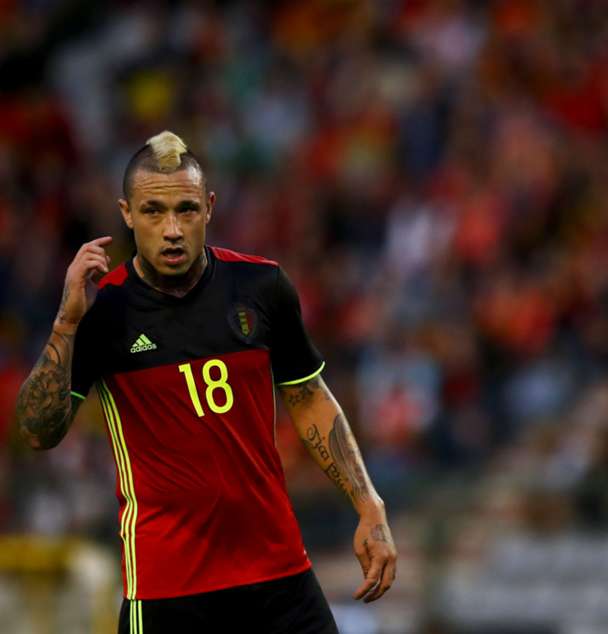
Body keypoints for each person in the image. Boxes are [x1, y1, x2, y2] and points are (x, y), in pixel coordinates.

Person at [13, 131, 396, 633]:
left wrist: (369, 505)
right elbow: (36, 432)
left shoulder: (261, 286)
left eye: (186, 210)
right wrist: (66, 323)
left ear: (209, 208)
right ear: (127, 214)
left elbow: (308, 399)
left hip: (276, 572)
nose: (172, 229)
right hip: (168, 588)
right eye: (153, 212)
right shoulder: (103, 310)